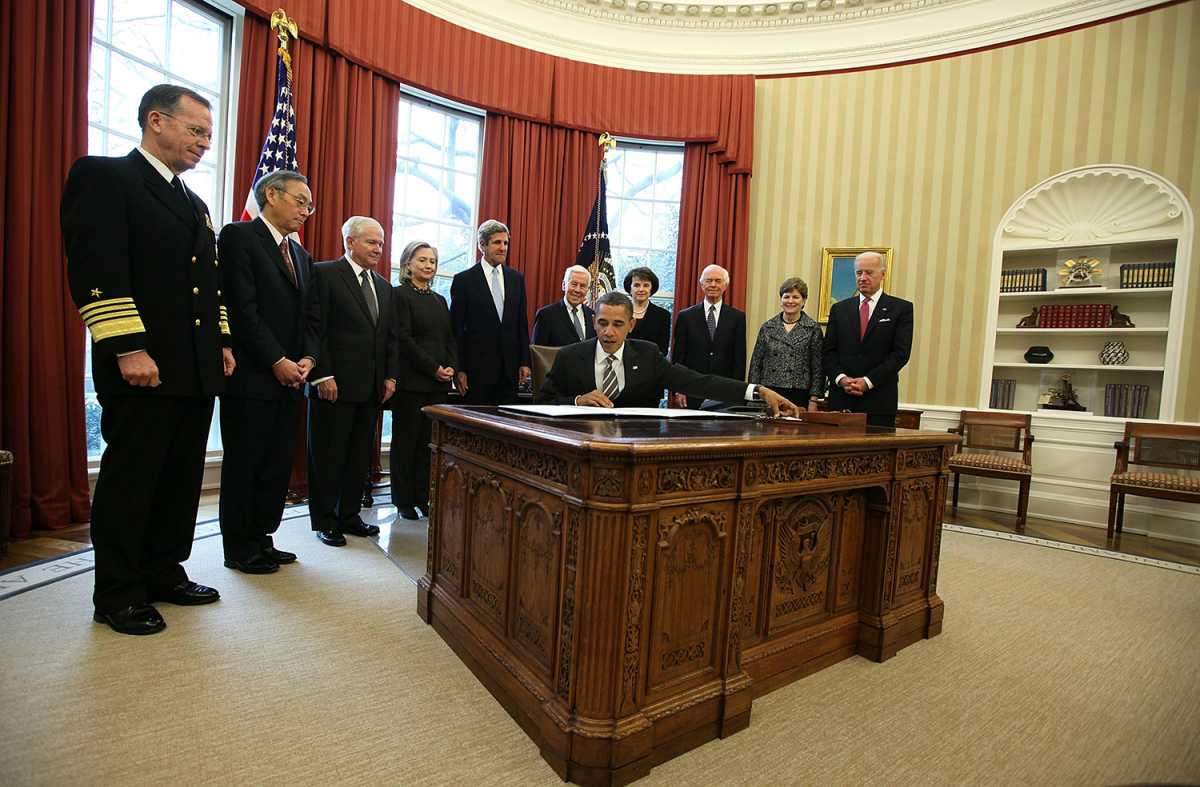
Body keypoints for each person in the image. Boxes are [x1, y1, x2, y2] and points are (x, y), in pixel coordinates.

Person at [62, 83, 234, 635]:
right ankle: (117, 591)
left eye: (209, 133)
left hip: (194, 367)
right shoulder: (106, 177)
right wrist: (126, 347)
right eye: (196, 130)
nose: (205, 142)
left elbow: (209, 286)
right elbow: (96, 268)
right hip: (141, 362)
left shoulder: (195, 203)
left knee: (180, 477)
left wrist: (222, 343)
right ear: (156, 120)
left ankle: (164, 569)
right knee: (133, 479)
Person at [217, 170, 316, 574]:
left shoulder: (303, 256)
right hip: (253, 376)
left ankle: (263, 537)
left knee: (276, 463)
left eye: (310, 205)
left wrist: (309, 358)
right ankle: (239, 546)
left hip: (293, 378)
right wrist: (277, 360)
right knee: (247, 461)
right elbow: (243, 309)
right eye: (300, 201)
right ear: (271, 194)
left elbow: (312, 316)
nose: (306, 211)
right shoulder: (239, 237)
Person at [538, 291, 798, 416]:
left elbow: (699, 382)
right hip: (581, 446)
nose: (608, 332)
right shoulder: (570, 356)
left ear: (631, 325)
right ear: (594, 321)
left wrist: (758, 391)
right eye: (602, 323)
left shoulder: (647, 355)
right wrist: (577, 401)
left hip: (636, 450)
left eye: (617, 325)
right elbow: (541, 403)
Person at [306, 216, 398, 546]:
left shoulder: (385, 287)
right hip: (333, 385)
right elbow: (315, 328)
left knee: (358, 456)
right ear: (350, 242)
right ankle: (325, 519)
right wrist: (321, 375)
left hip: (371, 389)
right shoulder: (324, 273)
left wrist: (389, 376)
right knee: (328, 455)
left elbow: (390, 338)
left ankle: (349, 514)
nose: (378, 249)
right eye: (372, 242)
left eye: (381, 243)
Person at [390, 241, 456, 522]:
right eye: (422, 260)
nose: (428, 266)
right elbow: (404, 339)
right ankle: (403, 500)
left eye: (432, 261)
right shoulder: (399, 295)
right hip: (412, 382)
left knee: (428, 445)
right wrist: (434, 368)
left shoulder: (439, 299)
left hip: (438, 384)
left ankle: (423, 496)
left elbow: (449, 338)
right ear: (408, 264)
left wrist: (452, 366)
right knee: (406, 442)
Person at [821, 251, 913, 428]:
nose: (863, 277)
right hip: (841, 400)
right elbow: (828, 352)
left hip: (879, 401)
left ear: (883, 274)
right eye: (859, 273)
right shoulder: (840, 309)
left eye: (869, 272)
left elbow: (900, 354)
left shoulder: (901, 309)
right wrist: (841, 378)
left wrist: (867, 382)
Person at [449, 220, 531, 404]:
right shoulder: (464, 280)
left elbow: (521, 324)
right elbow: (456, 330)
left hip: (510, 371)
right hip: (476, 372)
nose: (503, 248)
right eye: (497, 242)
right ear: (482, 245)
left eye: (506, 243)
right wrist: (459, 369)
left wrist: (525, 362)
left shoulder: (516, 279)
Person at [671, 264, 746, 409]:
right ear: (701, 284)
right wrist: (678, 389)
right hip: (691, 389)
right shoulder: (686, 316)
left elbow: (739, 358)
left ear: (725, 285)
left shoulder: (737, 317)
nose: (713, 285)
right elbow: (678, 357)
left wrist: (737, 390)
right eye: (708, 280)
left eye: (718, 281)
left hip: (724, 389)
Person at [748, 277, 823, 411]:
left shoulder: (813, 328)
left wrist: (814, 399)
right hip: (769, 391)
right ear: (781, 300)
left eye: (796, 297)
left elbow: (818, 368)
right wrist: (754, 392)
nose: (790, 301)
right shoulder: (767, 327)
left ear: (804, 301)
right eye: (786, 296)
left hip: (799, 393)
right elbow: (756, 364)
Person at [531, 265, 595, 347]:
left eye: (582, 286)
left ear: (587, 290)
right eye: (574, 284)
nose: (577, 290)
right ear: (564, 285)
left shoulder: (592, 315)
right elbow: (537, 352)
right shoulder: (546, 315)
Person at [624, 266, 671, 355]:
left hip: (650, 365)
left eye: (646, 285)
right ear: (630, 288)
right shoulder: (620, 312)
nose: (641, 289)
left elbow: (662, 350)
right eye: (637, 285)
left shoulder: (663, 315)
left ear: (651, 289)